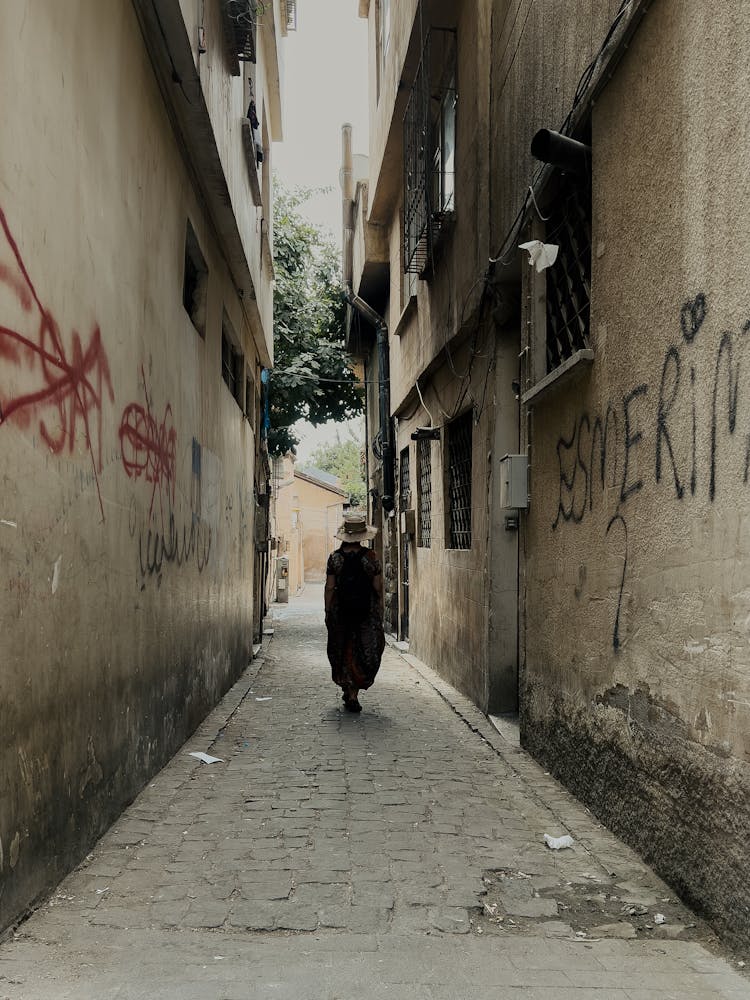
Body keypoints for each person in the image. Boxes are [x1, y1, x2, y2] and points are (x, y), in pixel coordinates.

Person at [324, 511, 385, 713]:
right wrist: (378, 607)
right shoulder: (371, 557)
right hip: (365, 613)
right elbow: (377, 587)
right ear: (362, 536)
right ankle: (353, 692)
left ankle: (347, 687)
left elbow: (330, 587)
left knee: (341, 648)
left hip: (340, 612)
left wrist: (327, 610)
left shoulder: (334, 558)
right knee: (364, 650)